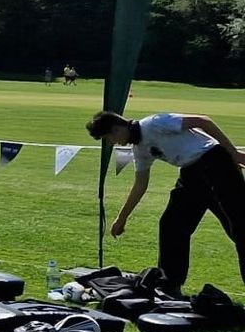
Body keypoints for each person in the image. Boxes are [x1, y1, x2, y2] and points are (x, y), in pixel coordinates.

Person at [90, 110, 245, 293]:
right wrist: (122, 218)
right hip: (190, 174)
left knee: (240, 228)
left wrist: (233, 153)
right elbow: (140, 185)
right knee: (172, 225)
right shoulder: (139, 149)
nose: (110, 143)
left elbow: (203, 121)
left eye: (108, 138)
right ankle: (170, 286)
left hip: (216, 163)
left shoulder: (155, 123)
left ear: (116, 129)